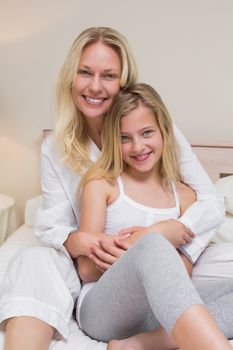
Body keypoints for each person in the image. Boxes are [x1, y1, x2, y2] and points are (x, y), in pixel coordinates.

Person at [0, 26, 231, 350]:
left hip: (156, 285)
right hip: (98, 279)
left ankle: (152, 342)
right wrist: (79, 240)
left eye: (108, 75)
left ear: (124, 82)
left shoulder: (164, 139)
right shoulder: (72, 161)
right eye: (85, 72)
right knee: (34, 261)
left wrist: (170, 231)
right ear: (71, 77)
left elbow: (210, 201)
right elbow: (57, 232)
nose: (95, 86)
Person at [76, 83, 233, 350]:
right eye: (124, 138)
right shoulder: (102, 185)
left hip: (159, 313)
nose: (138, 147)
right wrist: (151, 238)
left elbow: (182, 272)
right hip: (104, 310)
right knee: (153, 243)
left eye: (147, 132)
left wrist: (149, 253)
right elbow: (87, 269)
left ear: (165, 132)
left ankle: (145, 344)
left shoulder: (185, 197)